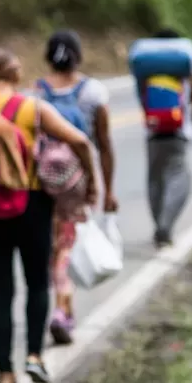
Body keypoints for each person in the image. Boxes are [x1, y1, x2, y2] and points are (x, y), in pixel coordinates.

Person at [0, 50, 97, 383]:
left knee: (0, 291)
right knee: (36, 284)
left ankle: (4, 374)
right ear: (14, 74)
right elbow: (80, 140)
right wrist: (89, 183)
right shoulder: (32, 108)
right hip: (30, 203)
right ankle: (34, 357)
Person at [35, 30, 117, 345]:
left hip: (41, 179)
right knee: (67, 244)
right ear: (79, 55)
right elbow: (104, 145)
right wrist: (106, 189)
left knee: (49, 244)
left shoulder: (37, 93)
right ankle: (62, 309)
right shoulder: (93, 93)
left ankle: (57, 306)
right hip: (74, 180)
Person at [142, 28, 192, 248]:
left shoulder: (146, 69)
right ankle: (166, 225)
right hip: (179, 134)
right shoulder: (183, 68)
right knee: (180, 177)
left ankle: (159, 224)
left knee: (155, 180)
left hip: (152, 133)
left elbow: (142, 101)